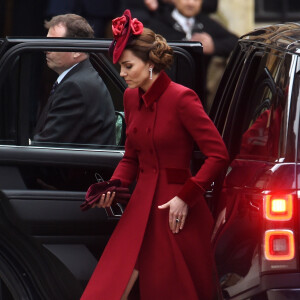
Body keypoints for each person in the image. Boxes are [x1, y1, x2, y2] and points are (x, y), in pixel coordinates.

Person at [81, 9, 229, 300]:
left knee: (170, 290)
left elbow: (218, 155)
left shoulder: (182, 98)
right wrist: (115, 186)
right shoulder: (130, 97)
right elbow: (130, 157)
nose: (122, 74)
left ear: (151, 64)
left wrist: (186, 197)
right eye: (120, 67)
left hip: (177, 212)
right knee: (110, 287)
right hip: (140, 208)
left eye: (128, 66)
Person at [33, 14, 116, 145]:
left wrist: (27, 146)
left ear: (77, 50)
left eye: (53, 43)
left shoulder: (75, 87)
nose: (45, 49)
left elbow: (48, 146)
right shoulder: (79, 78)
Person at [146, 0, 238, 103]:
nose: (191, 3)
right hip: (164, 94)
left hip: (198, 95)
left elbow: (235, 42)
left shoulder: (207, 24)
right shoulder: (158, 23)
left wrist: (214, 46)